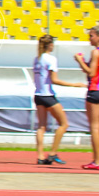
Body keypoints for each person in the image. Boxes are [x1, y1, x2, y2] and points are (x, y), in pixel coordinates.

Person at [32, 35, 82, 165]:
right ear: (50, 45)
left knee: (41, 127)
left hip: (38, 95)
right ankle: (53, 153)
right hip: (48, 96)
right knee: (64, 124)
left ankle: (40, 156)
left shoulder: (36, 59)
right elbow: (54, 80)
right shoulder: (51, 59)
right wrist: (75, 84)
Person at [75, 26, 99, 170]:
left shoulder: (96, 52)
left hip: (94, 91)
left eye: (92, 36)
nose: (90, 38)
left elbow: (91, 73)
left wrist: (79, 60)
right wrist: (84, 62)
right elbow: (96, 70)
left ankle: (96, 161)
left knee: (94, 127)